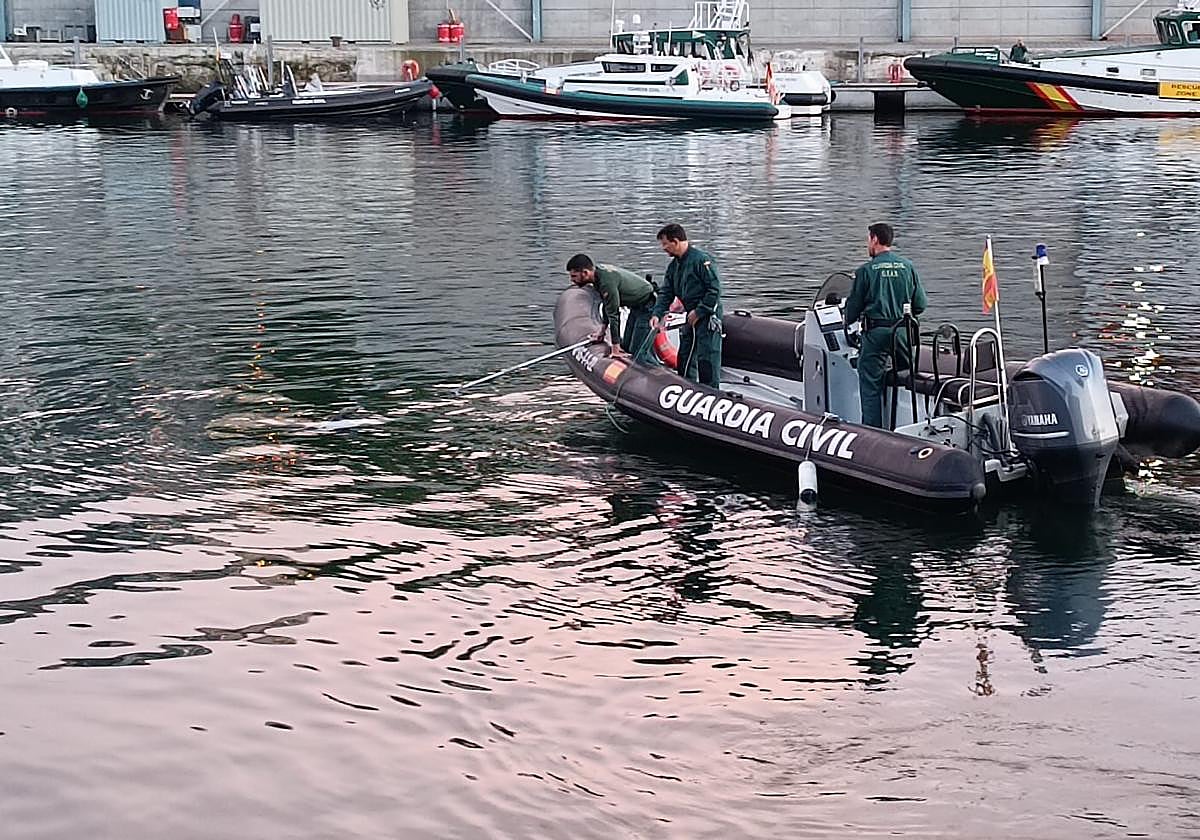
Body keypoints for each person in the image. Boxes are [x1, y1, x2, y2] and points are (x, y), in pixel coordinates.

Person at [844, 222, 928, 429]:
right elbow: (921, 304)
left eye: (868, 240)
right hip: (903, 332)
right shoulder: (907, 266)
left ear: (874, 239)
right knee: (908, 374)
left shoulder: (866, 270)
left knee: (870, 379)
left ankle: (873, 432)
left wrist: (849, 320)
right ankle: (915, 424)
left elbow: (853, 308)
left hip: (876, 333)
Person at [649, 224, 723, 388]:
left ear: (675, 241)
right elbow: (666, 292)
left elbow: (714, 289)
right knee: (685, 354)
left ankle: (711, 391)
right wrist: (657, 313)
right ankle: (686, 387)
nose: (664, 249)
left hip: (707, 315)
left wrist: (699, 312)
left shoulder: (701, 260)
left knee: (707, 357)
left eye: (665, 244)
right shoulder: (674, 267)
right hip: (690, 315)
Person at [566, 254, 659, 364]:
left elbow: (614, 315)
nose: (572, 280)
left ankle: (659, 375)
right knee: (627, 347)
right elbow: (608, 305)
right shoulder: (597, 277)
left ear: (585, 273)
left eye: (574, 276)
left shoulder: (606, 282)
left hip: (649, 306)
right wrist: (602, 331)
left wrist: (615, 347)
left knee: (639, 353)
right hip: (636, 306)